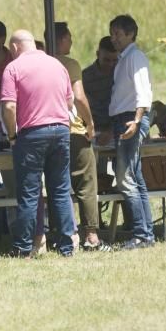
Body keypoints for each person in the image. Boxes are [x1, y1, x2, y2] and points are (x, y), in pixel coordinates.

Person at [0, 29, 76, 257]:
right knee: (61, 190)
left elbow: (9, 107)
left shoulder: (13, 68)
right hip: (61, 130)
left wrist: (12, 135)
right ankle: (66, 246)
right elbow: (70, 100)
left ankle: (23, 247)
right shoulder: (57, 65)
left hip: (31, 134)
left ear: (14, 48)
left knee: (29, 193)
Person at [51, 22, 107, 252]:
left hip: (48, 130)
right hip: (73, 130)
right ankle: (91, 235)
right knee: (86, 183)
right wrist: (90, 123)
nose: (72, 41)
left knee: (57, 185)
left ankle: (61, 233)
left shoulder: (39, 63)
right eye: (70, 37)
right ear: (62, 40)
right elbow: (79, 97)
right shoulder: (69, 64)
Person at [109, 15, 155, 250]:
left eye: (118, 33)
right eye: (112, 33)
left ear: (130, 34)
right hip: (124, 118)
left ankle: (141, 234)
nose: (114, 38)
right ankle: (146, 233)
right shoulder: (124, 59)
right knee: (136, 178)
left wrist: (136, 120)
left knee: (125, 179)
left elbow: (143, 92)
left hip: (130, 118)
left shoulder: (135, 57)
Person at [82, 36, 118, 142]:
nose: (111, 64)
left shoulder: (121, 73)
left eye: (115, 60)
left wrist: (111, 131)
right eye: (106, 60)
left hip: (116, 128)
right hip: (93, 130)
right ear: (98, 55)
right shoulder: (85, 77)